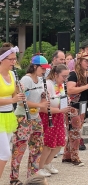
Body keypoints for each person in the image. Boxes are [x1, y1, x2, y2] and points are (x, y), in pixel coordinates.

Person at [10, 55, 51, 183]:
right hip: (23, 117)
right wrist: (40, 105)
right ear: (34, 67)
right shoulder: (26, 80)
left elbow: (38, 98)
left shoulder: (39, 80)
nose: (44, 71)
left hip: (35, 117)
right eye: (42, 68)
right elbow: (22, 102)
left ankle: (32, 177)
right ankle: (14, 178)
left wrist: (44, 97)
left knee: (37, 147)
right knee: (19, 148)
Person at [62, 52, 88, 167]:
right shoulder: (73, 74)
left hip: (82, 105)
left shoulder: (86, 74)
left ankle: (67, 156)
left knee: (74, 131)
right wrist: (87, 86)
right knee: (75, 132)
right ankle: (75, 157)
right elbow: (70, 90)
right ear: (79, 61)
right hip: (73, 106)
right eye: (86, 61)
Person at [38, 64, 71, 176]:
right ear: (56, 74)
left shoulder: (60, 84)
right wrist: (60, 110)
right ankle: (40, 166)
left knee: (59, 142)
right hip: (48, 116)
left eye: (67, 76)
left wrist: (66, 102)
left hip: (58, 115)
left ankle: (48, 163)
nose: (65, 79)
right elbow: (43, 107)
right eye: (64, 76)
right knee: (48, 143)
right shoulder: (48, 84)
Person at [0, 44, 25, 179]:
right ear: (2, 60)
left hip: (9, 115)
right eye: (10, 59)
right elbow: (10, 98)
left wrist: (20, 92)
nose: (14, 62)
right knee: (5, 153)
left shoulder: (12, 74)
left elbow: (14, 94)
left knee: (2, 153)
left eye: (14, 59)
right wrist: (13, 100)